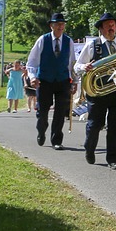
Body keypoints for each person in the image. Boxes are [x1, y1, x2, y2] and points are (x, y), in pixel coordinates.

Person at [75, 12, 116, 169]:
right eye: (108, 25)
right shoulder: (93, 45)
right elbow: (77, 66)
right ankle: (89, 148)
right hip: (97, 92)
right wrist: (84, 67)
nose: (111, 28)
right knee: (95, 123)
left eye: (113, 25)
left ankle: (113, 159)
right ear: (101, 29)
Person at [27, 12, 74, 150]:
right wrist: (33, 77)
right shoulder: (43, 40)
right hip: (45, 81)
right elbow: (32, 62)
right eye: (58, 24)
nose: (61, 27)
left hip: (63, 80)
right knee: (43, 111)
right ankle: (41, 131)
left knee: (60, 112)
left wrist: (75, 82)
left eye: (62, 24)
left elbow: (71, 63)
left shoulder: (68, 41)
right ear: (51, 26)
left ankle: (56, 140)